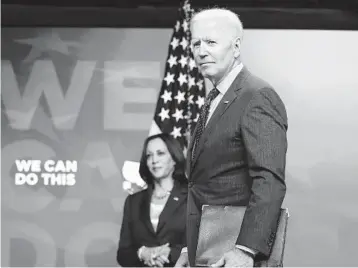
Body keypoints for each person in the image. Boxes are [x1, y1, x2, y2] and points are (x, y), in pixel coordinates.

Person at [174, 8, 288, 268]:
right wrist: (187, 249)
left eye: (211, 42)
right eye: (196, 43)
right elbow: (202, 185)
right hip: (206, 253)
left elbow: (269, 181)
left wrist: (245, 251)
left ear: (236, 46)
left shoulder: (257, 96)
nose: (201, 51)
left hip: (237, 257)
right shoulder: (214, 99)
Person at [117, 133, 188, 267]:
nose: (154, 160)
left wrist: (171, 253)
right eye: (149, 155)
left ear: (174, 158)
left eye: (160, 153)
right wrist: (142, 253)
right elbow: (123, 253)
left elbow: (202, 248)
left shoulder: (191, 198)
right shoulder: (133, 202)